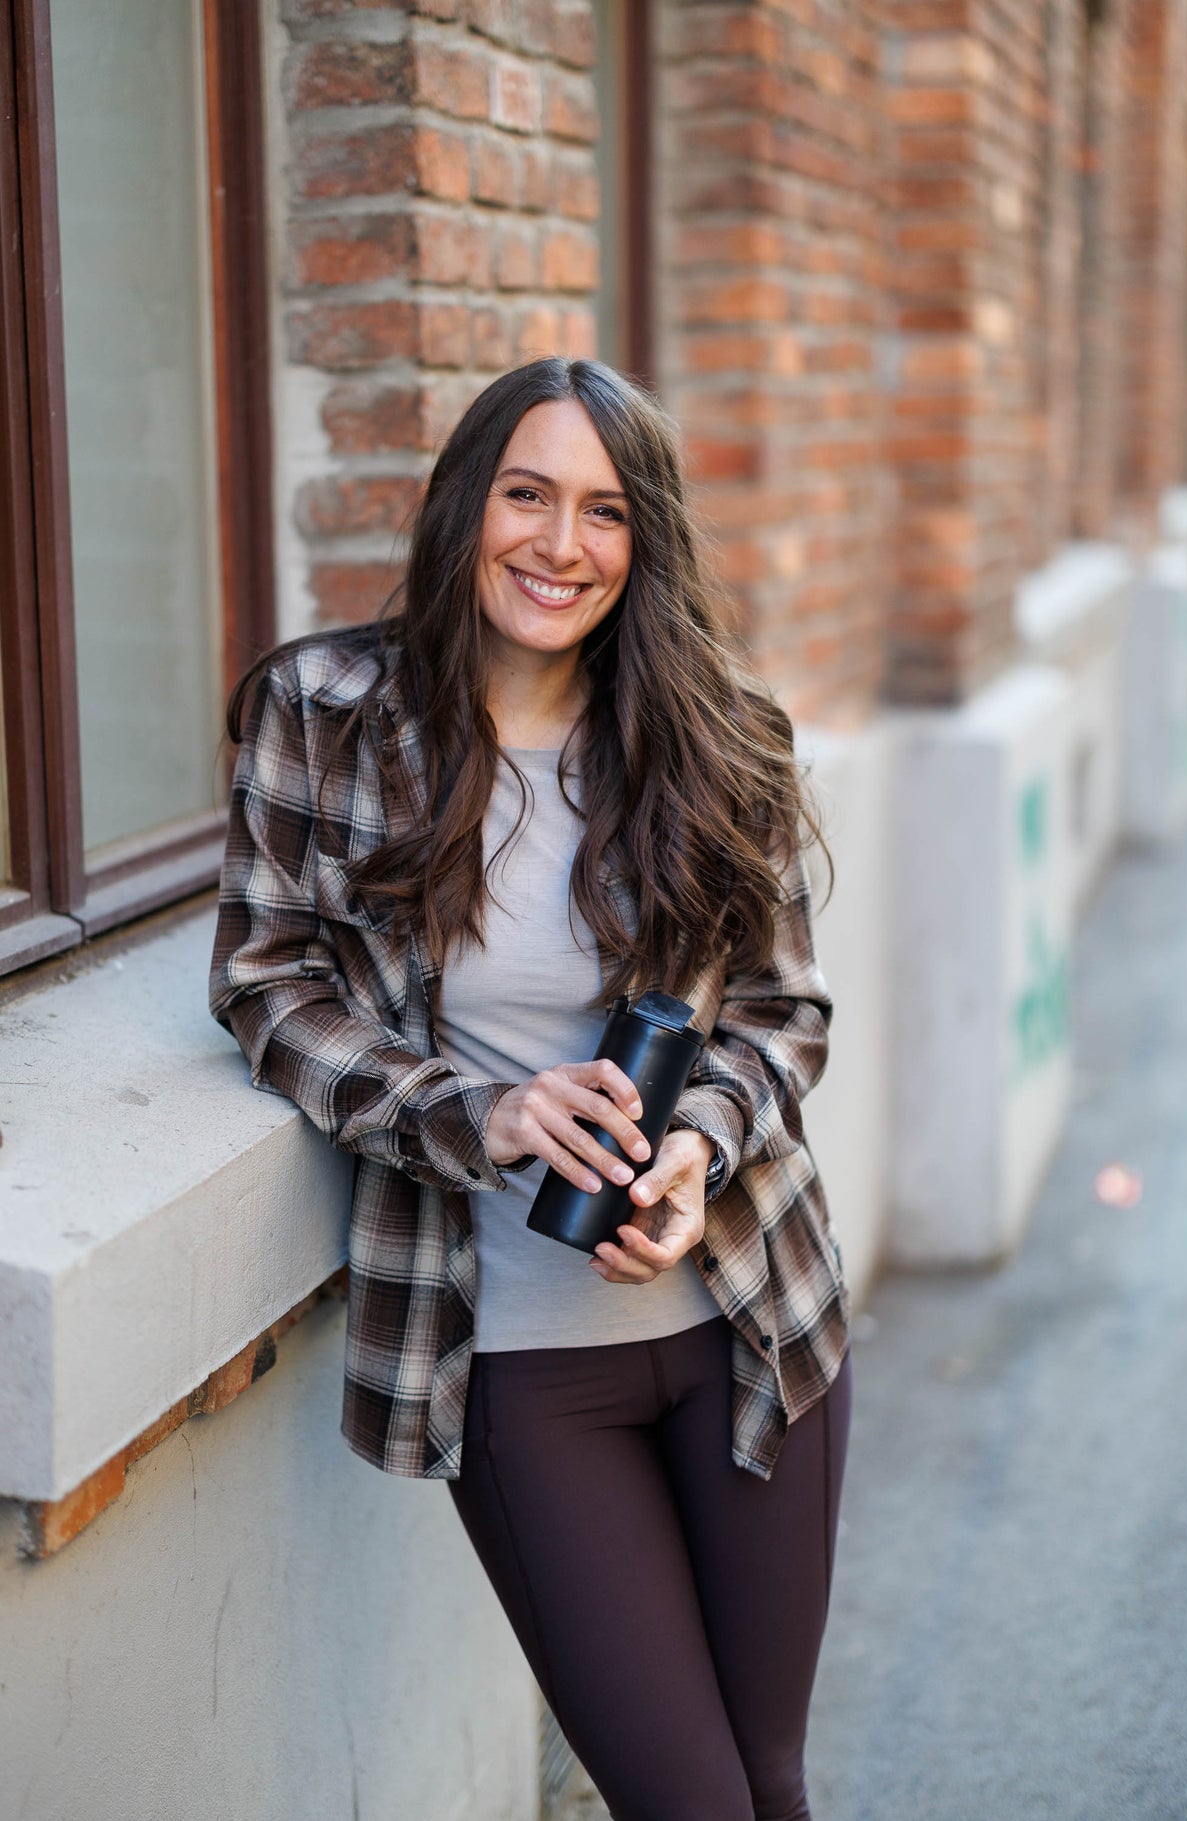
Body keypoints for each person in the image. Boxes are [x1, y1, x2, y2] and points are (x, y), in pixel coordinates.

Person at [209, 356, 852, 1821]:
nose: (561, 545)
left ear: (647, 542)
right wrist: (473, 1113)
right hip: (514, 1358)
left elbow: (779, 1009)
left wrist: (694, 1146)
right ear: (464, 506)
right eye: (527, 495)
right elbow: (263, 982)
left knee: (768, 1777)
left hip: (751, 1317)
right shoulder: (323, 712)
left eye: (606, 512)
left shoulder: (719, 732)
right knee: (687, 1801)